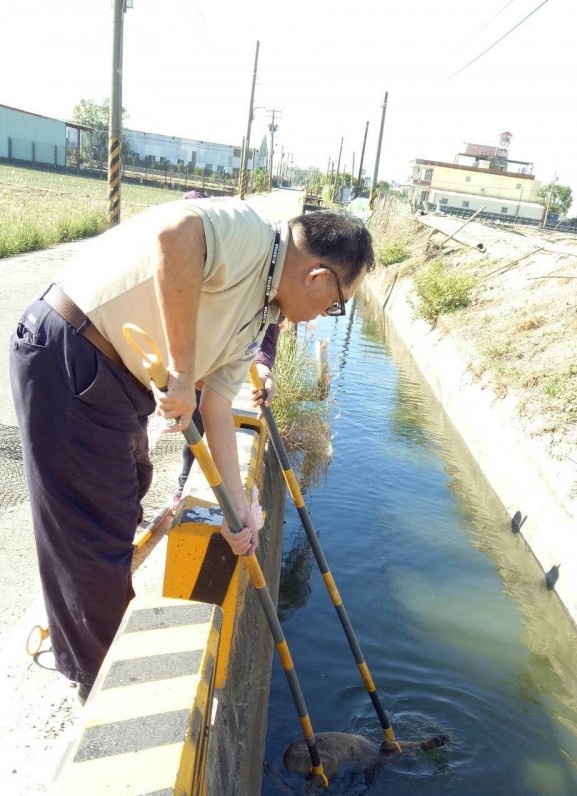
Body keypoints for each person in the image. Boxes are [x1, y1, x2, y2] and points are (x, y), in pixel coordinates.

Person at [10, 199, 374, 701]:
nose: (326, 316)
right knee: (92, 536)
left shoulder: (260, 311)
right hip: (72, 349)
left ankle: (97, 653)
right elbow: (176, 235)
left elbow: (219, 406)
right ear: (317, 276)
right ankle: (100, 688)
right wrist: (182, 371)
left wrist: (238, 511)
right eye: (337, 304)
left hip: (115, 379)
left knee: (125, 496)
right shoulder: (251, 236)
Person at [172, 320, 280, 511]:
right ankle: (183, 485)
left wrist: (263, 369)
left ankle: (200, 487)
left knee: (211, 417)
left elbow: (267, 333)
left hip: (228, 361)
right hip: (201, 349)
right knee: (195, 427)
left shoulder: (273, 302)